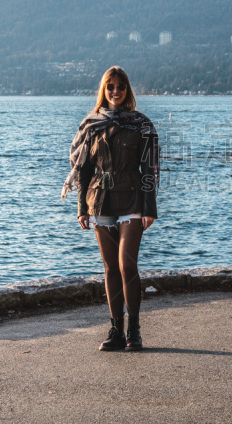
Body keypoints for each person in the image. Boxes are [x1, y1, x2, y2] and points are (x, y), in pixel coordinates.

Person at [61, 66, 159, 351]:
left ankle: (134, 330)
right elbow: (83, 168)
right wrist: (82, 207)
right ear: (103, 90)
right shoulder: (91, 125)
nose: (115, 91)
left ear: (128, 90)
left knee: (127, 264)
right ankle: (116, 329)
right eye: (110, 86)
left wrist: (149, 207)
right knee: (110, 268)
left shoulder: (142, 125)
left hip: (132, 200)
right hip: (99, 199)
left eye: (121, 87)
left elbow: (150, 169)